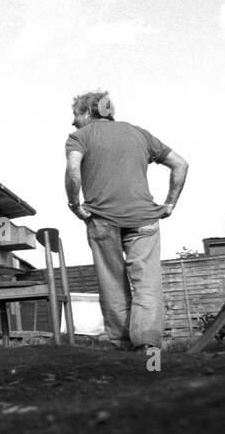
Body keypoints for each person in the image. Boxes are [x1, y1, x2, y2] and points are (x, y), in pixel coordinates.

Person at [64, 91, 189, 351]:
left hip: (102, 220)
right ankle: (148, 348)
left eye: (76, 115)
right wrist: (170, 203)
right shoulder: (140, 134)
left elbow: (73, 170)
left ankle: (123, 349)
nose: (73, 122)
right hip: (145, 220)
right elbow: (181, 164)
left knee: (112, 284)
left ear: (88, 112)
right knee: (147, 285)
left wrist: (75, 205)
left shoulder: (79, 137)